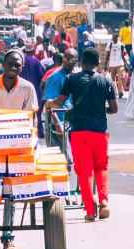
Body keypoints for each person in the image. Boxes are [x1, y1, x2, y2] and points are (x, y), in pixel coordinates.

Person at [0, 50, 39, 249]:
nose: (13, 68)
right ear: (2, 64)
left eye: (17, 66)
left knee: (11, 190)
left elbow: (31, 119)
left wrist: (31, 142)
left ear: (22, 67)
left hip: (17, 147)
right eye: (10, 64)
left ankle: (8, 236)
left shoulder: (27, 88)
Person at [49, 48, 117, 222]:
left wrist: (50, 104)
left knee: (84, 171)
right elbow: (114, 109)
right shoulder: (106, 81)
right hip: (101, 132)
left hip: (80, 132)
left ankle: (90, 211)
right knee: (101, 167)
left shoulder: (72, 79)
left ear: (82, 62)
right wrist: (101, 110)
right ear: (97, 63)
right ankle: (103, 200)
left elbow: (60, 102)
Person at [41, 48, 77, 149]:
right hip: (56, 125)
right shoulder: (55, 77)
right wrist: (57, 125)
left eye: (70, 60)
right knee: (60, 159)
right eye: (65, 59)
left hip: (70, 124)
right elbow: (48, 103)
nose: (67, 62)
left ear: (76, 61)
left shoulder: (74, 77)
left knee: (69, 161)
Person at [19, 41, 48, 105]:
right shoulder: (37, 62)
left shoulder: (20, 61)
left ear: (25, 51)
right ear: (33, 51)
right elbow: (42, 76)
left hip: (21, 90)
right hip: (36, 90)